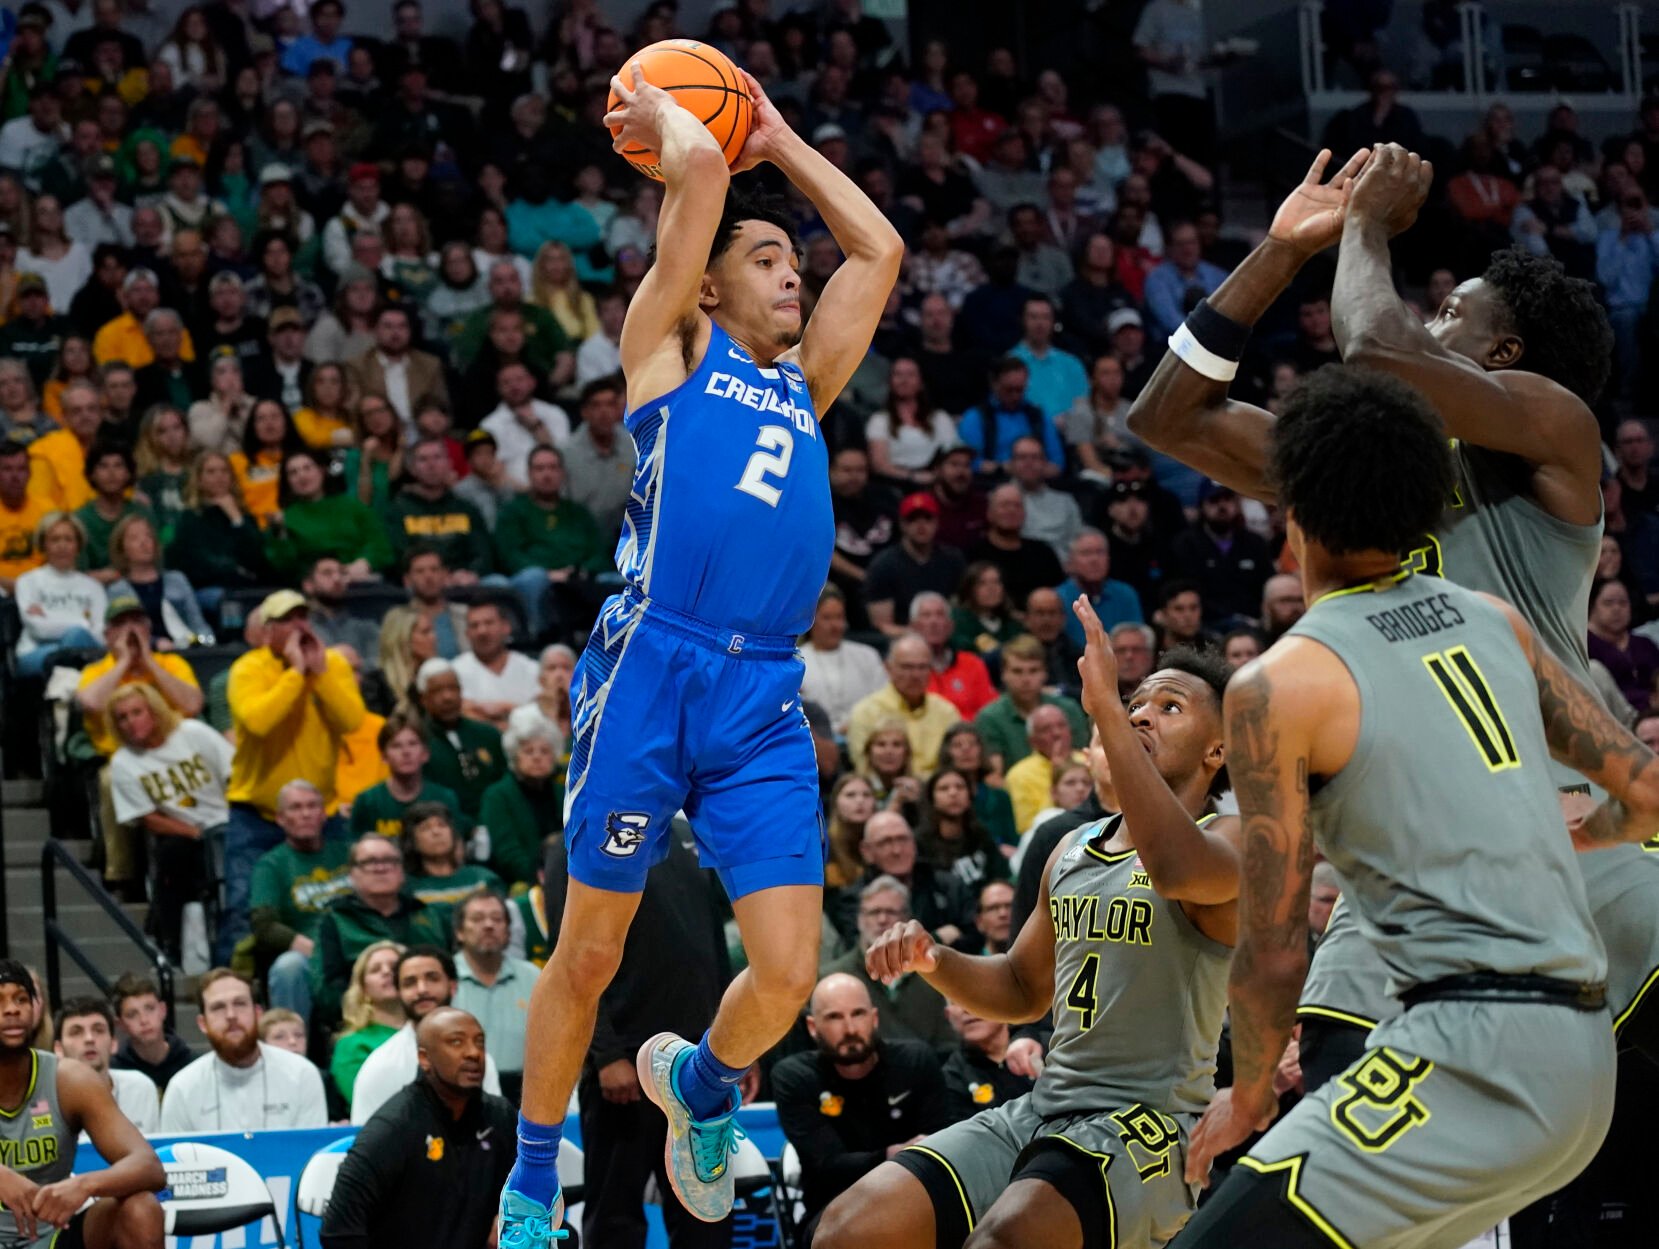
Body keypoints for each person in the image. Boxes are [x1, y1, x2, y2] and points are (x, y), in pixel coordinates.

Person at [500, 59, 903, 1244]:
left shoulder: (806, 386)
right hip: (651, 667)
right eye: (770, 261)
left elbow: (876, 252)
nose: (795, 274)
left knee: (786, 974)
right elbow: (692, 175)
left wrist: (776, 136)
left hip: (764, 687)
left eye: (792, 262)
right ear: (712, 290)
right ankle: (533, 1181)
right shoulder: (669, 355)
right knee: (589, 951)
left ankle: (705, 1087)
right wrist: (692, 127)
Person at [1171, 364, 1659, 1249]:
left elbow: (1276, 950)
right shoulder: (1491, 618)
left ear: (1292, 516)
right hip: (1585, 1060)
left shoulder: (1275, 684)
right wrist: (1564, 839)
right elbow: (1647, 794)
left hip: (1475, 1048)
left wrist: (1246, 1098)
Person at [816, 599, 1238, 1249]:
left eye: (1171, 706)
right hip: (1043, 1107)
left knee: (1006, 1239)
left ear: (1219, 748)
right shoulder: (1070, 850)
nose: (1144, 713)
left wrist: (1104, 710)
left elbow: (1176, 869)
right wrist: (936, 959)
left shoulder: (1227, 836)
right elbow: (1020, 986)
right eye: (1138, 705)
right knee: (849, 1229)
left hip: (1144, 1125)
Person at [221, 588, 366, 962]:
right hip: (256, 816)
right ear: (267, 631)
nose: (298, 625)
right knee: (243, 910)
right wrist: (296, 673)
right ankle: (233, 992)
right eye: (286, 619)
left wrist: (318, 673)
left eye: (303, 617)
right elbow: (258, 722)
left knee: (341, 905)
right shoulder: (248, 668)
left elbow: (352, 720)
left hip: (322, 814)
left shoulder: (331, 665)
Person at [773, 973, 954, 1240]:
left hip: (916, 1198)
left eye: (858, 1014)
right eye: (834, 1017)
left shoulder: (916, 1061)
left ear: (874, 1018)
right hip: (833, 1208)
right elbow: (827, 1166)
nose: (849, 1029)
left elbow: (942, 1146)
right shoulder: (794, 1077)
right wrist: (894, 1154)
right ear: (812, 1027)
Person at [0, 963, 165, 1248]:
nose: (12, 1009)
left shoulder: (70, 1079)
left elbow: (149, 1166)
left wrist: (84, 1185)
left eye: (21, 999)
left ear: (36, 1009)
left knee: (141, 1208)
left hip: (50, 1235)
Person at [323, 1006, 516, 1249]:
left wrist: (516, 1223)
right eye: (456, 1042)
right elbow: (337, 1232)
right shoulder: (392, 1128)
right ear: (424, 1059)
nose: (473, 1053)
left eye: (479, 1042)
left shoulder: (501, 1117)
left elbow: (542, 1207)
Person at [106, 683, 231, 960]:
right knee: (171, 855)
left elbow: (233, 775)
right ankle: (170, 944)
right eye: (122, 717)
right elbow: (146, 817)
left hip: (229, 820)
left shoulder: (192, 733)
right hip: (186, 834)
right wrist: (195, 833)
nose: (130, 722)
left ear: (154, 711)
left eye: (137, 712)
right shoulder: (123, 762)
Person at [160, 968, 328, 1132]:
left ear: (257, 1014)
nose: (231, 1015)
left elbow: (312, 1154)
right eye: (218, 1007)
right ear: (202, 1023)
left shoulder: (301, 1075)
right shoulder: (182, 1089)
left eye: (240, 1003)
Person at [311, 835, 452, 1027]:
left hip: (432, 1018)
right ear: (352, 874)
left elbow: (452, 973)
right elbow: (328, 992)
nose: (380, 868)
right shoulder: (336, 918)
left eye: (389, 860)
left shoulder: (428, 915)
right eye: (369, 862)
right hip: (364, 1022)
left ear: (402, 871)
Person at [351, 945, 503, 1123]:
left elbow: (494, 1128)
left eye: (432, 978)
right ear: (399, 993)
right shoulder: (379, 1066)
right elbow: (366, 1141)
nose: (422, 989)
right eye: (410, 983)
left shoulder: (478, 1058)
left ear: (453, 986)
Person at [248, 779, 353, 1022]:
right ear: (281, 818)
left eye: (312, 806)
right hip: (308, 953)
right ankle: (292, 1049)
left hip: (354, 943)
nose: (305, 814)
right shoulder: (271, 865)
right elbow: (264, 925)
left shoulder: (347, 853)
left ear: (324, 814)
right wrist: (318, 951)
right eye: (295, 808)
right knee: (288, 967)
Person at [452, 890, 542, 1106]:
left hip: (527, 1093)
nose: (489, 925)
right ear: (459, 932)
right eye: (477, 919)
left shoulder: (533, 976)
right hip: (461, 1093)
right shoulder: (444, 976)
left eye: (497, 919)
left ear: (508, 932)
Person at [847, 634, 964, 777]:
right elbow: (865, 769)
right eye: (907, 667)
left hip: (939, 794)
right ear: (888, 668)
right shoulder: (865, 712)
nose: (915, 675)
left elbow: (958, 765)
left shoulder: (947, 712)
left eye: (922, 667)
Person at [12, 510, 105, 676]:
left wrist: (48, 617)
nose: (62, 545)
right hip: (35, 654)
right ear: (43, 545)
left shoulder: (93, 587)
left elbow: (102, 635)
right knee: (73, 644)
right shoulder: (27, 581)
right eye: (54, 539)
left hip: (85, 652)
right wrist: (83, 622)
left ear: (78, 545)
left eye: (68, 539)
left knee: (77, 642)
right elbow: (38, 629)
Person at [864, 493, 967, 636]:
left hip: (948, 637)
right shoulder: (883, 565)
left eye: (927, 518)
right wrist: (923, 635)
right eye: (913, 519)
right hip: (902, 641)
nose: (921, 525)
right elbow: (882, 625)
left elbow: (962, 610)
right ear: (902, 524)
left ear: (937, 523)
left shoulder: (953, 560)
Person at [54, 996, 160, 1135]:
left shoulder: (141, 1089)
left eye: (98, 1030)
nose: (89, 1039)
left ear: (114, 1043)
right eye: (76, 1032)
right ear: (58, 1049)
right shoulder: (46, 1100)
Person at [415, 659, 506, 818]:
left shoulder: (488, 734)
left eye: (453, 688)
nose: (448, 697)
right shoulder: (417, 742)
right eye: (438, 691)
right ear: (424, 699)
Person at [349, 712, 463, 838]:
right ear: (384, 757)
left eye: (413, 744)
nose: (406, 752)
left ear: (425, 753)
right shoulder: (367, 802)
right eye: (396, 746)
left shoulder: (444, 798)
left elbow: (455, 847)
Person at [480, 718, 563, 888]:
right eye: (528, 751)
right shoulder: (498, 795)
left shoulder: (564, 792)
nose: (537, 757)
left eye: (545, 751)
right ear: (514, 757)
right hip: (520, 882)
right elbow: (507, 852)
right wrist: (539, 878)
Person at [799, 584, 888, 736]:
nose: (835, 625)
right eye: (827, 618)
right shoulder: (797, 661)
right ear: (811, 621)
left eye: (839, 617)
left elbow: (884, 701)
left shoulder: (867, 655)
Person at [330, 940, 406, 1105]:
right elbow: (364, 1102)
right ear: (363, 988)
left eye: (394, 966)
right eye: (375, 969)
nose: (386, 972)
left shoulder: (428, 1033)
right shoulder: (352, 1044)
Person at [453, 599, 538, 730]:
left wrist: (497, 708)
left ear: (506, 627)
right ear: (467, 634)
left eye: (489, 623)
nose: (482, 631)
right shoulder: (454, 671)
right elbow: (461, 713)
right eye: (474, 625)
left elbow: (541, 713)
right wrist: (515, 710)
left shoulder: (531, 669)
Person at [938, 1002, 1033, 1120]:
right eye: (956, 1001)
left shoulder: (1046, 1044)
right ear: (948, 1014)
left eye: (975, 997)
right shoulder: (950, 1079)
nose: (967, 1009)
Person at [401, 803, 502, 912]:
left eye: (442, 825)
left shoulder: (483, 879)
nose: (436, 832)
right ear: (411, 841)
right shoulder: (406, 888)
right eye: (425, 828)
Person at [109, 973, 193, 1093]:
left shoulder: (192, 1065)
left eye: (149, 1008)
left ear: (163, 1010)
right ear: (120, 1024)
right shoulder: (114, 1073)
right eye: (132, 1014)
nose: (144, 1020)